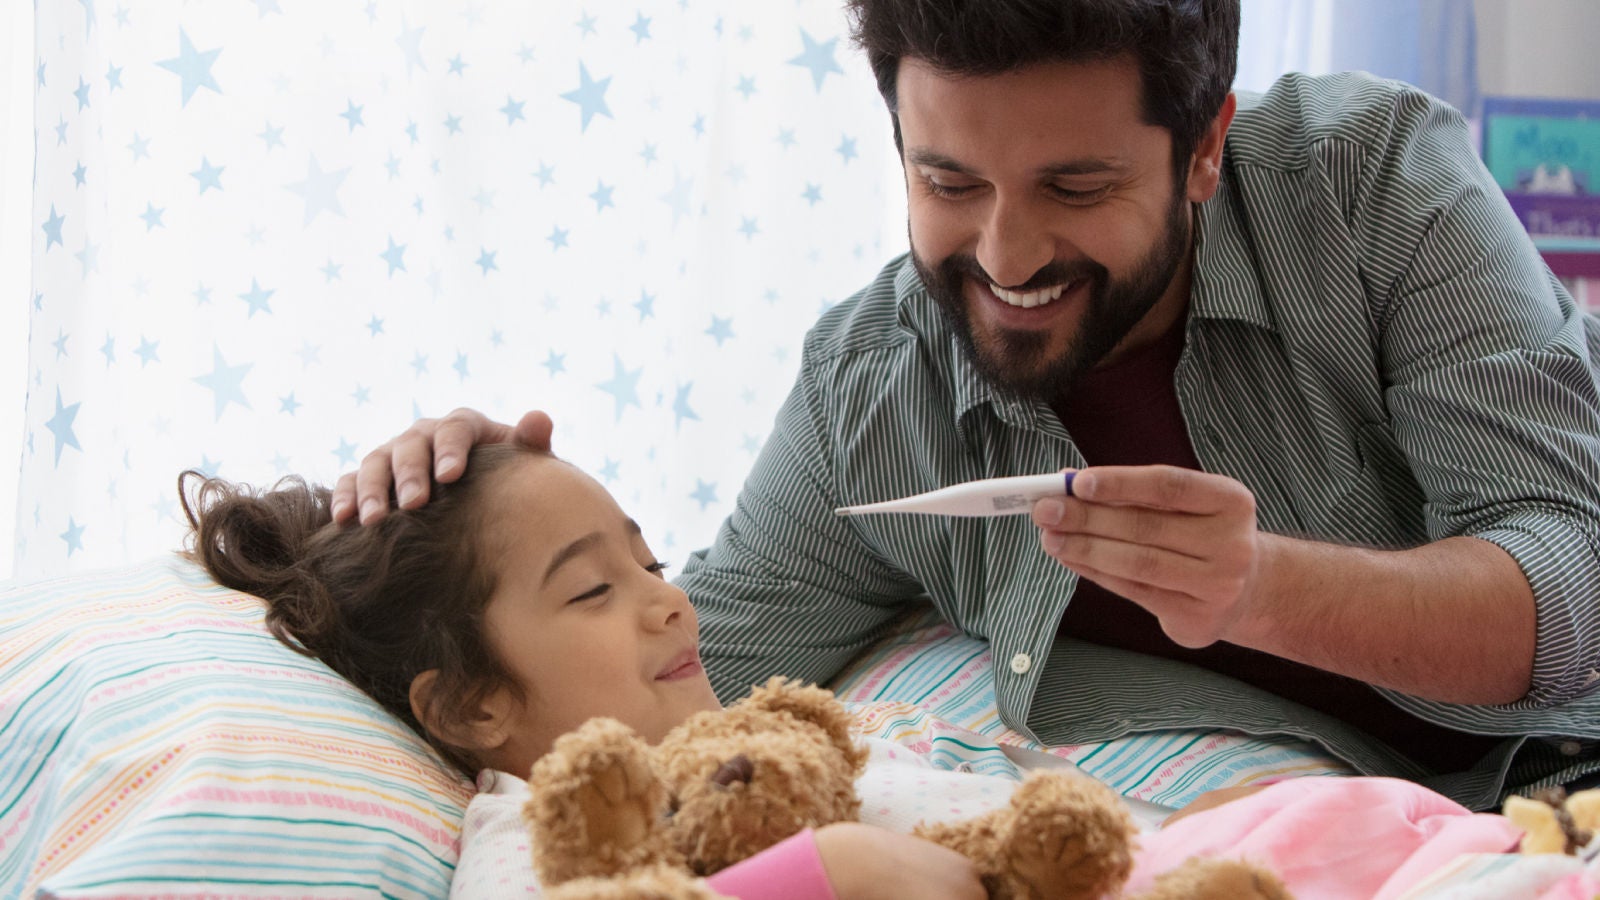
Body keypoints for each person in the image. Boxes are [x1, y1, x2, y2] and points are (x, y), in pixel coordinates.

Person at [335, 0, 1600, 809]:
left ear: (1205, 144)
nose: (1003, 256)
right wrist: (446, 536)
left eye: (1075, 186)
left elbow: (1575, 573)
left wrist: (1260, 589)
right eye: (947, 180)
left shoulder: (1372, 185)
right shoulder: (868, 391)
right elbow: (687, 669)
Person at [180, 447, 988, 900]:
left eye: (651, 561)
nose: (669, 599)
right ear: (472, 706)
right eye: (594, 589)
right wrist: (829, 873)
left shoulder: (795, 741)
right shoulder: (533, 834)